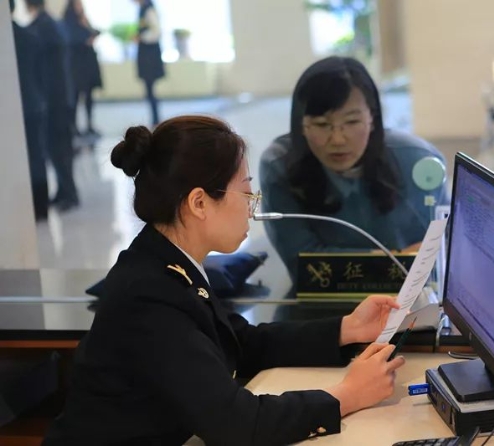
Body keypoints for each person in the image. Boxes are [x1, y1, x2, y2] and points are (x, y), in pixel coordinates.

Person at [42, 115, 405, 446]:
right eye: (246, 193)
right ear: (199, 203)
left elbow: (239, 343)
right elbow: (235, 423)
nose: (252, 207)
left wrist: (347, 329)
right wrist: (346, 395)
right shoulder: (148, 294)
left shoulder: (168, 262)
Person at [260, 57, 449, 281]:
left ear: (373, 118)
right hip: (322, 298)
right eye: (322, 124)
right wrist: (400, 258)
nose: (338, 139)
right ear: (300, 124)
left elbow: (444, 249)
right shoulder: (280, 167)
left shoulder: (418, 161)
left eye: (352, 122)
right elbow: (304, 266)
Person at [26, 0, 79, 211]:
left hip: (55, 100)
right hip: (60, 98)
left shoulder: (42, 27)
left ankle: (69, 194)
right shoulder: (51, 24)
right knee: (56, 147)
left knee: (59, 149)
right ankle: (63, 191)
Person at [10, 0, 49, 221]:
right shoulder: (30, 36)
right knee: (37, 155)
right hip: (35, 103)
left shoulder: (8, 40)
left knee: (18, 159)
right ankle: (41, 205)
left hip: (14, 108)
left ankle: (24, 206)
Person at [63, 0, 103, 138]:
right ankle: (74, 126)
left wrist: (87, 26)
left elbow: (96, 32)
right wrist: (85, 39)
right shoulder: (68, 23)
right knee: (76, 97)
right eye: (77, 5)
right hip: (77, 65)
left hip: (88, 64)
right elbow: (72, 39)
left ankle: (89, 125)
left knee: (89, 96)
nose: (80, 7)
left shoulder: (84, 20)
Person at [134, 0, 165, 126]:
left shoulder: (149, 10)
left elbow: (156, 32)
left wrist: (141, 37)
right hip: (145, 54)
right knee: (149, 90)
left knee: (151, 89)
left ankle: (156, 119)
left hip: (150, 56)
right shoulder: (142, 9)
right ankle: (155, 118)